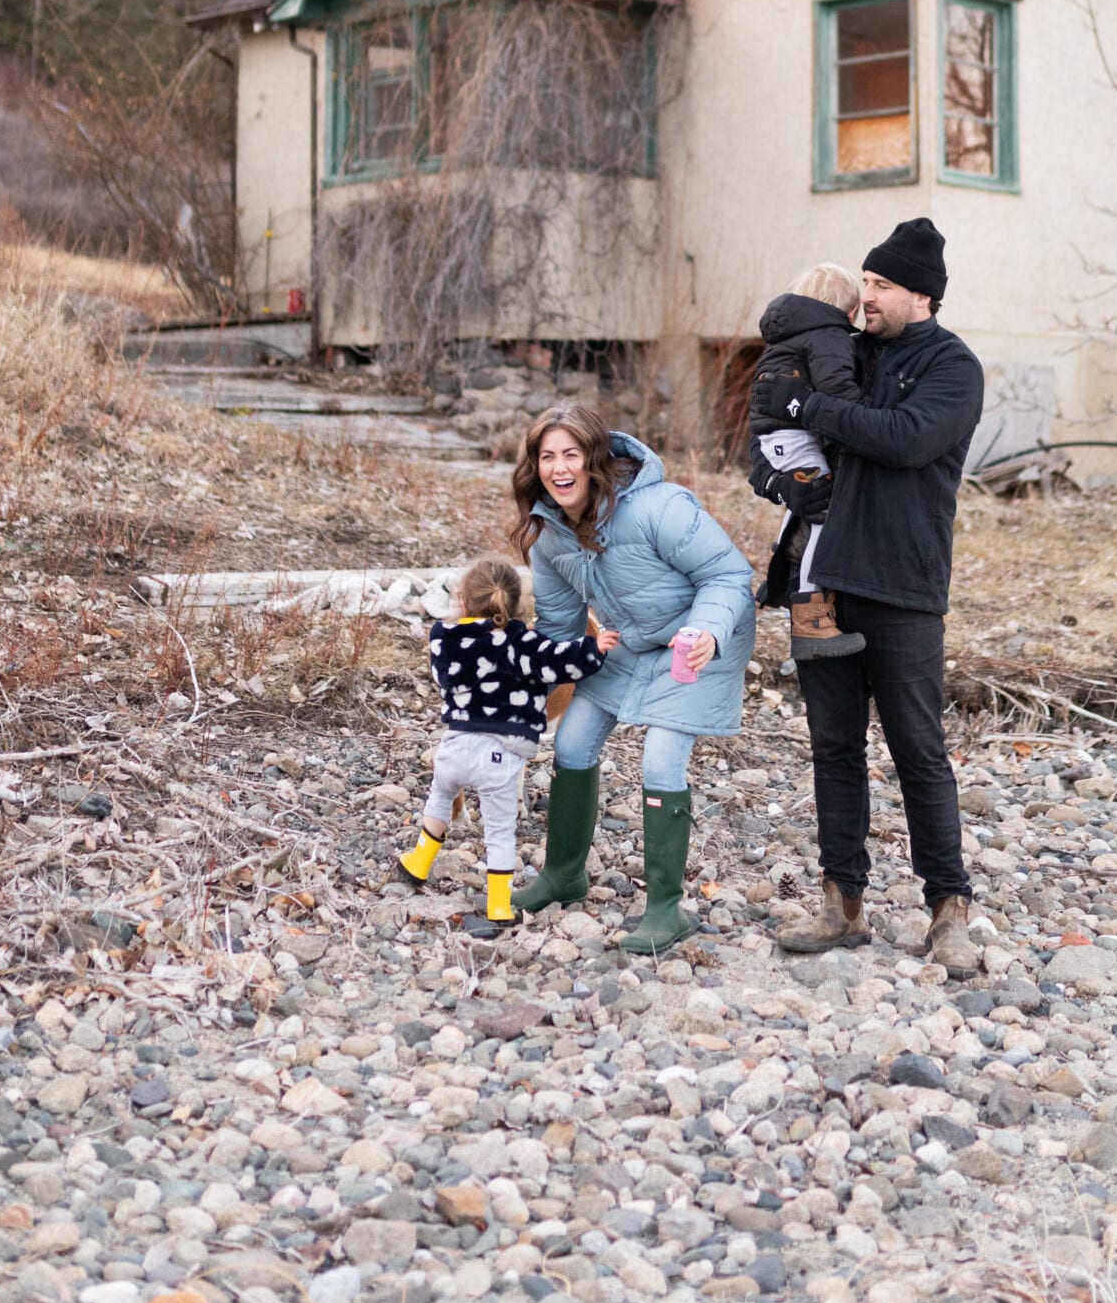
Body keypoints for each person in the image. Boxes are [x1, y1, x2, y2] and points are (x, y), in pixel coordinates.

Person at [755, 216, 986, 974]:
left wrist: (810, 410)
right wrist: (777, 475)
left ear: (922, 296)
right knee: (832, 747)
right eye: (866, 281)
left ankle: (947, 908)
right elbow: (761, 436)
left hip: (902, 581)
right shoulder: (842, 352)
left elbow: (904, 438)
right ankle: (840, 903)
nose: (867, 295)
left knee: (918, 749)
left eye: (882, 284)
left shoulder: (953, 368)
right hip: (820, 579)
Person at [509, 401, 757, 954]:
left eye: (571, 453)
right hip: (626, 642)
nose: (558, 467)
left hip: (698, 641)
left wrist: (708, 633)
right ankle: (563, 875)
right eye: (547, 456)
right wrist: (523, 683)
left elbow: (730, 576)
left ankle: (666, 908)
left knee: (659, 760)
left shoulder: (659, 507)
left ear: (595, 459)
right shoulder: (550, 534)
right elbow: (559, 626)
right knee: (571, 742)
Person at [396, 556, 618, 937]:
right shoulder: (521, 643)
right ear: (516, 608)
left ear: (463, 604)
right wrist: (595, 649)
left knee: (437, 801)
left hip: (453, 746)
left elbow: (442, 677)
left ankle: (417, 863)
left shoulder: (443, 640)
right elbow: (559, 664)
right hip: (499, 756)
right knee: (499, 833)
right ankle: (499, 904)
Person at [749, 263, 867, 661]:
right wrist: (866, 416)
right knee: (824, 510)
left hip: (777, 436)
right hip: (793, 435)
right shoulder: (829, 335)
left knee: (806, 498)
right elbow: (838, 388)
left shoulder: (786, 335)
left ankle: (780, 581)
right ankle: (811, 611)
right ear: (849, 312)